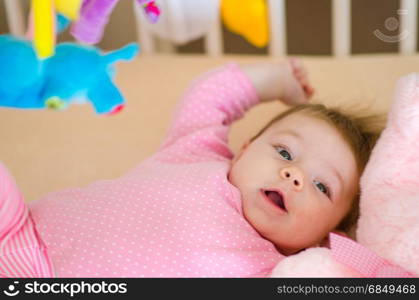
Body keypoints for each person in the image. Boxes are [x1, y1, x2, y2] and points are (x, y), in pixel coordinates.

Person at [0, 59, 382, 277]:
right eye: (284, 152)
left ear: (327, 235)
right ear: (244, 150)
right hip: (19, 236)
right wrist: (273, 81)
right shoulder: (196, 151)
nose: (294, 175)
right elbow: (210, 96)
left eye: (322, 186)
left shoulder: (278, 271)